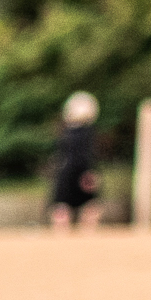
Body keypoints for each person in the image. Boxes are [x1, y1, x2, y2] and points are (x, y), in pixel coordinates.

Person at [44, 92, 102, 229]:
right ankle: (88, 236)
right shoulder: (88, 133)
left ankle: (61, 237)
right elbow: (86, 156)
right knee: (90, 206)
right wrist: (89, 172)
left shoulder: (65, 132)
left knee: (62, 207)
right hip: (82, 171)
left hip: (65, 172)